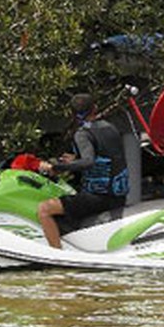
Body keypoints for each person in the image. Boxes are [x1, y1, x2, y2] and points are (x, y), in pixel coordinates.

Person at [37, 93, 129, 249]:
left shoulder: (82, 133)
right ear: (95, 108)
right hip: (118, 195)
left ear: (73, 115)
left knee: (44, 209)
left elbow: (88, 161)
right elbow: (104, 157)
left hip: (98, 197)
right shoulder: (110, 128)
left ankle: (57, 256)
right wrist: (75, 160)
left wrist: (55, 167)